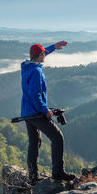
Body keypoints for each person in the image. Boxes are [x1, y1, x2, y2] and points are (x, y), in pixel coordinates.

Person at [21, 41, 75, 185]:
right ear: (39, 56)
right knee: (57, 137)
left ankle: (32, 176)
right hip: (37, 112)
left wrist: (53, 47)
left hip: (27, 112)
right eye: (44, 53)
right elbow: (35, 95)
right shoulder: (36, 72)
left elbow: (39, 55)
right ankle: (58, 172)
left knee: (34, 142)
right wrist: (46, 111)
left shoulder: (26, 67)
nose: (45, 55)